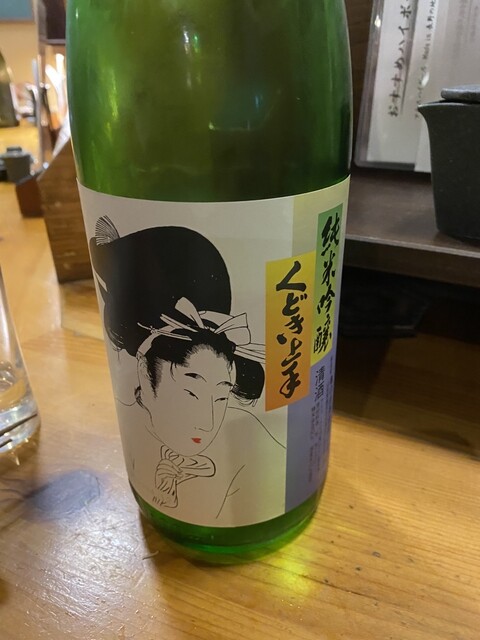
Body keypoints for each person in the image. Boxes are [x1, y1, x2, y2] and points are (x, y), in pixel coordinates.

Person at [90, 218, 286, 525]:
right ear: (144, 373)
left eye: (221, 397)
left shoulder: (254, 451)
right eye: (190, 393)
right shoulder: (133, 424)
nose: (207, 422)